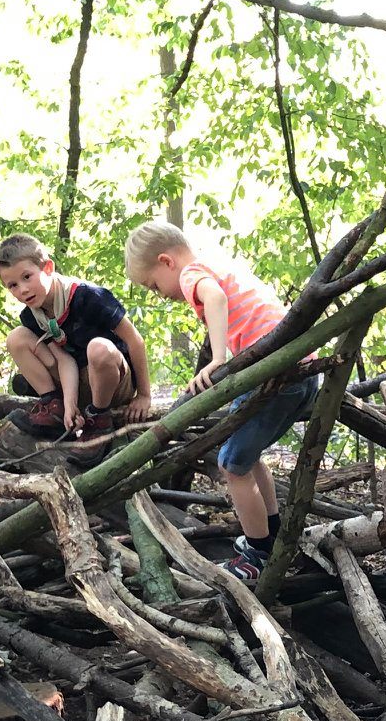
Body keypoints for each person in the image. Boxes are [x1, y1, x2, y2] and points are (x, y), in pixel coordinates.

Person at [124, 220, 321, 582]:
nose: (158, 293)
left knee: (231, 465)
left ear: (166, 261)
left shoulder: (192, 273)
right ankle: (271, 531)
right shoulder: (219, 263)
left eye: (153, 285)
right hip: (300, 371)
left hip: (272, 376)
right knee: (248, 455)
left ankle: (258, 553)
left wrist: (218, 360)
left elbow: (214, 297)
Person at [0, 233, 153, 441]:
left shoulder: (88, 296)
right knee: (17, 338)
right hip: (77, 382)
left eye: (27, 277)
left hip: (112, 381)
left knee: (98, 348)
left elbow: (134, 340)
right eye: (13, 285)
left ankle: (99, 418)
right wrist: (69, 404)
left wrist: (143, 395)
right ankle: (54, 407)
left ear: (47, 268)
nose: (23, 289)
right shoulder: (32, 316)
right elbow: (63, 360)